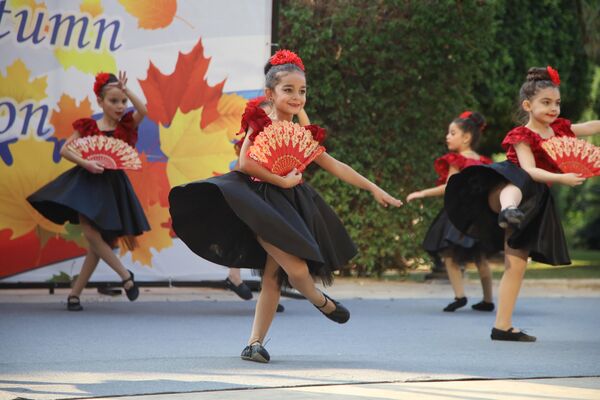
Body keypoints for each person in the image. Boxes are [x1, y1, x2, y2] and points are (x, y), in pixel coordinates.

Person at [169, 49, 402, 362]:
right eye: (288, 90)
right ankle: (320, 300)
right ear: (270, 93)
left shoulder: (301, 134)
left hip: (293, 205)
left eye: (302, 91)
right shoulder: (261, 124)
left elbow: (335, 165)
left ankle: (254, 343)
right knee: (297, 269)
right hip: (262, 204)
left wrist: (374, 188)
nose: (297, 96)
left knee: (272, 278)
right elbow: (245, 163)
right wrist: (280, 182)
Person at [444, 66, 600, 341]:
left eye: (557, 103)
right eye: (546, 102)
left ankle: (502, 326)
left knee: (516, 265)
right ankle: (508, 211)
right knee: (518, 180)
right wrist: (561, 177)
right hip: (504, 190)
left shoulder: (561, 130)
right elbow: (529, 170)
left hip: (534, 203)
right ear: (528, 105)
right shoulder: (522, 135)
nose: (554, 108)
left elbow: (590, 127)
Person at [28, 71, 149, 311]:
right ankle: (126, 276)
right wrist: (87, 163)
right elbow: (65, 150)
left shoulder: (126, 125)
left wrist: (127, 91)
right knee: (91, 233)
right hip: (88, 185)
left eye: (122, 101)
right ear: (100, 102)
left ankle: (74, 295)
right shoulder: (88, 126)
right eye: (113, 101)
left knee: (99, 243)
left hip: (113, 186)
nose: (120, 106)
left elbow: (143, 111)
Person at [407, 111, 494, 312]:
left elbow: (448, 187)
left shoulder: (458, 160)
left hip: (459, 215)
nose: (447, 136)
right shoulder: (484, 162)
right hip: (480, 215)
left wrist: (422, 193)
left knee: (449, 254)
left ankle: (459, 296)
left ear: (466, 137)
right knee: (481, 258)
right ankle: (488, 300)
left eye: (452, 132)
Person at [227, 96, 310, 303]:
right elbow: (243, 166)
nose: (271, 118)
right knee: (246, 236)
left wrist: (299, 109)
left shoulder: (282, 135)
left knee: (273, 249)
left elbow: (307, 133)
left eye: (273, 115)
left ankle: (270, 294)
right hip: (254, 195)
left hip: (276, 197)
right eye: (265, 116)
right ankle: (235, 277)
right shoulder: (253, 138)